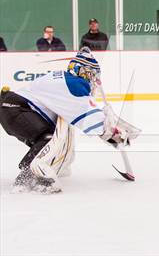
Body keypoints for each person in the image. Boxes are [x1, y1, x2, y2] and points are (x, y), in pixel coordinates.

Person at [0, 48, 135, 194]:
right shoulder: (74, 84)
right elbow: (90, 117)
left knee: (57, 133)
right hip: (16, 110)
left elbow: (81, 116)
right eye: (93, 75)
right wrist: (114, 132)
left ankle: (55, 165)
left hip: (12, 109)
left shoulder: (66, 80)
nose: (94, 81)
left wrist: (109, 131)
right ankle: (28, 175)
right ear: (84, 71)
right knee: (48, 139)